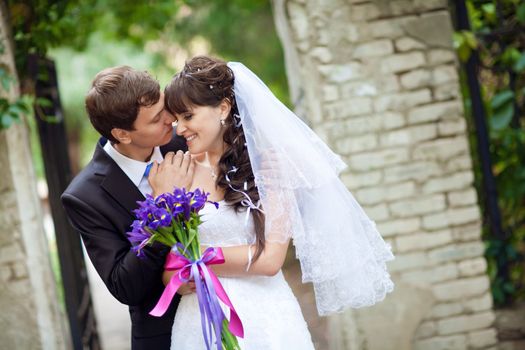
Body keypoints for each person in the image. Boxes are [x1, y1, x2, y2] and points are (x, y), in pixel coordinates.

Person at [150, 56, 395, 349]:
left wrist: (197, 257)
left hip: (264, 317)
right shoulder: (178, 171)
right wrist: (174, 276)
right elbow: (167, 263)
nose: (179, 129)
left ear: (224, 108)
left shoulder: (270, 167)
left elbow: (270, 259)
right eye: (176, 119)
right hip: (198, 320)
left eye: (188, 116)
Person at [61, 66, 195, 350]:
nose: (172, 120)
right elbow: (125, 286)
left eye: (165, 107)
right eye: (157, 118)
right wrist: (163, 206)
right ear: (122, 133)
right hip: (165, 334)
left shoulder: (187, 139)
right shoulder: (84, 196)